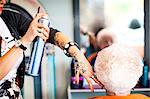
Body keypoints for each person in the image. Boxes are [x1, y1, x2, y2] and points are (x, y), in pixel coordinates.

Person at [0, 0, 101, 98]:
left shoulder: (9, 18)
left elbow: (51, 34)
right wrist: (25, 41)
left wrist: (78, 55)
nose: (3, 1)